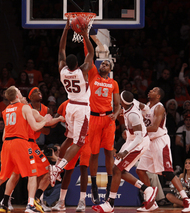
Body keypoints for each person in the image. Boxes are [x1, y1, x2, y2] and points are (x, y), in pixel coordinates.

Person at [0, 86, 52, 213]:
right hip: (20, 143)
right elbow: (35, 126)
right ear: (16, 96)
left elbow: (4, 135)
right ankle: (30, 205)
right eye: (20, 92)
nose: (21, 94)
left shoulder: (5, 111)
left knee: (3, 176)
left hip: (6, 145)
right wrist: (45, 120)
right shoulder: (25, 107)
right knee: (32, 174)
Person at [92, 91, 157, 213]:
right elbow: (147, 109)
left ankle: (110, 203)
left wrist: (125, 151)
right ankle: (147, 189)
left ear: (122, 101)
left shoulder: (133, 115)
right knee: (117, 170)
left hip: (139, 143)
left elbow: (138, 138)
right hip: (131, 141)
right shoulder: (135, 103)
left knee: (117, 170)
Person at [49, 18, 94, 187]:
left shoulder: (62, 69)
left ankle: (57, 165)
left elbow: (61, 49)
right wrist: (84, 36)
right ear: (78, 64)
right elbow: (91, 54)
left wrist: (66, 29)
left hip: (70, 106)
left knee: (68, 138)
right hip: (82, 108)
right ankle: (58, 167)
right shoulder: (83, 71)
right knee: (79, 142)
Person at [136, 87, 190, 212]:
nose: (150, 91)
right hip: (149, 142)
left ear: (158, 96)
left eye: (154, 90)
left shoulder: (159, 107)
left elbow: (155, 127)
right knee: (140, 170)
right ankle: (150, 200)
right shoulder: (148, 105)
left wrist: (136, 130)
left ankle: (186, 200)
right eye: (151, 89)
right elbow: (139, 109)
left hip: (159, 141)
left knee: (168, 172)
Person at [84, 42, 121, 204]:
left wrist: (116, 114)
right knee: (94, 154)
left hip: (108, 119)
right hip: (93, 118)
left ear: (110, 69)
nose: (103, 64)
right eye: (102, 63)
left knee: (109, 152)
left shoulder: (114, 83)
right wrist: (86, 36)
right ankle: (93, 189)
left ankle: (108, 187)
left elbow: (118, 105)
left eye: (106, 64)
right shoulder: (93, 74)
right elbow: (89, 54)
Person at [51, 100, 91, 212]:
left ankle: (82, 201)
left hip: (87, 138)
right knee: (68, 170)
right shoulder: (64, 104)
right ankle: (61, 201)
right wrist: (51, 118)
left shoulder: (87, 102)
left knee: (84, 168)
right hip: (73, 139)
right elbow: (56, 117)